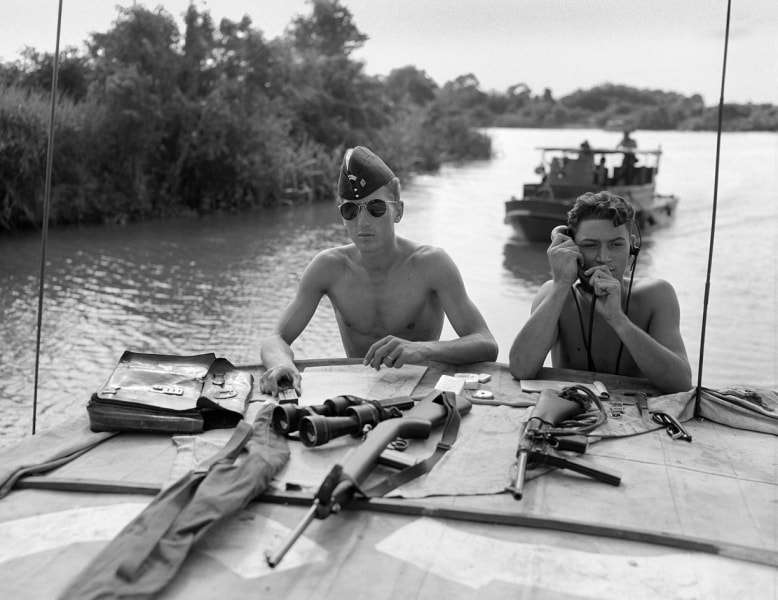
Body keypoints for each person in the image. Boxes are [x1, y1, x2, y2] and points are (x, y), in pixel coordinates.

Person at [260, 146, 498, 396]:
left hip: (419, 394)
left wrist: (422, 350)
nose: (362, 222)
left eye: (375, 208)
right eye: (351, 210)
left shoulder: (431, 265)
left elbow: (485, 342)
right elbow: (275, 339)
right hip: (358, 394)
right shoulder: (328, 268)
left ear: (398, 211)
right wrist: (281, 364)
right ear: (342, 216)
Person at [508, 191, 691, 394]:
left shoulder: (656, 296)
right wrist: (561, 285)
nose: (604, 257)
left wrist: (618, 320)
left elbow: (680, 383)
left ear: (632, 248)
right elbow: (521, 368)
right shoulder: (553, 294)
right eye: (590, 245)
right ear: (571, 246)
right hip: (573, 412)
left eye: (615, 245)